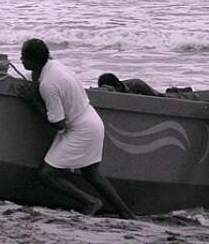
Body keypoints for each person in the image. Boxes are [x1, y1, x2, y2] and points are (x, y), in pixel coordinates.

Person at [18, 38, 136, 219]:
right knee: (92, 176)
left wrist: (33, 101)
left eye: (23, 58)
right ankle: (127, 214)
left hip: (82, 130)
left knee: (47, 175)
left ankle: (90, 202)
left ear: (33, 61)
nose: (20, 60)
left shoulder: (48, 85)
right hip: (91, 120)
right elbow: (38, 78)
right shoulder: (53, 66)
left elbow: (59, 123)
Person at [96, 73, 161, 97]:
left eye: (110, 90)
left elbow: (157, 97)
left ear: (118, 86)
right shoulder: (105, 92)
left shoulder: (137, 85)